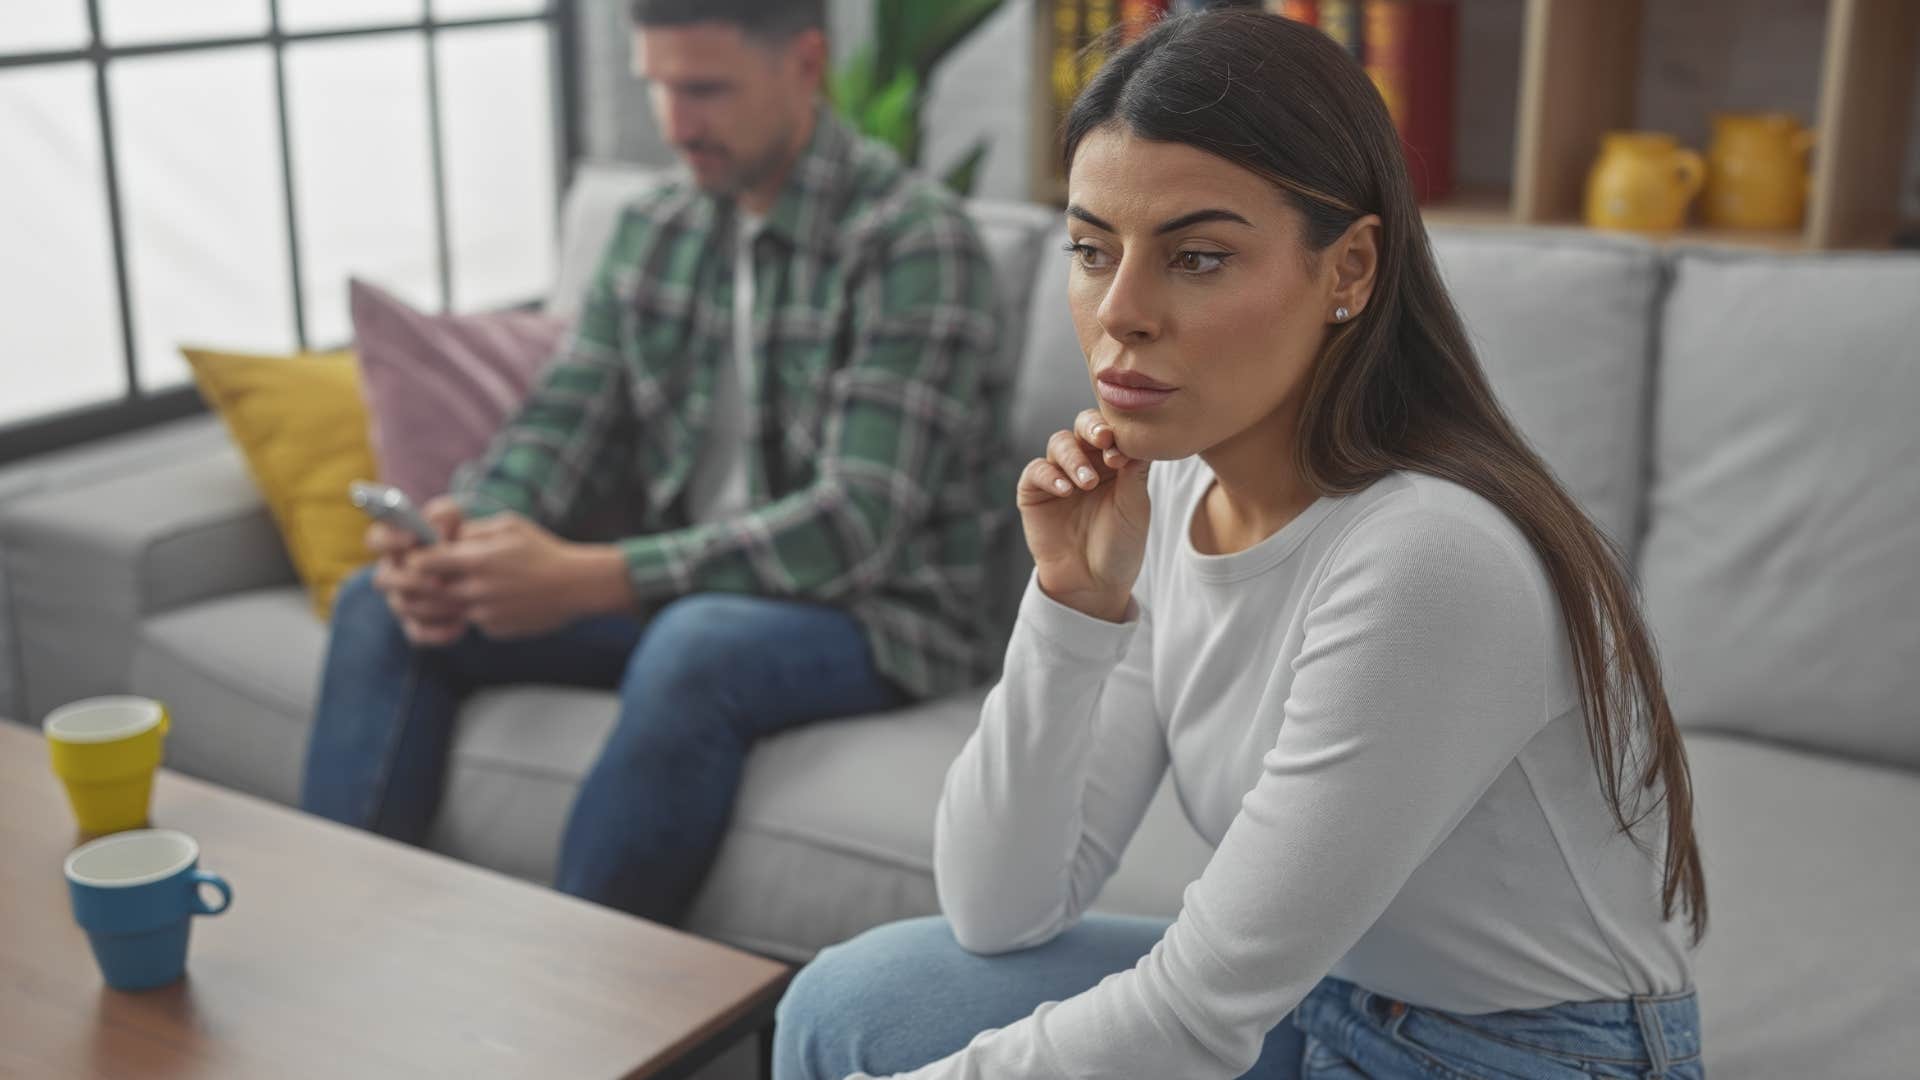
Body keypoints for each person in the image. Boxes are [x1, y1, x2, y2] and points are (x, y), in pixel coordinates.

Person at [773, 11, 1707, 1079]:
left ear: (1349, 269)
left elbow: (1196, 1015)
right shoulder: (1170, 493)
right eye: (1089, 250)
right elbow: (1000, 908)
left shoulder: (1429, 559)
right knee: (851, 1004)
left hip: (1521, 1055)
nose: (1119, 313)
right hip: (1329, 1001)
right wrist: (1071, 607)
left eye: (1198, 257)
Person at [299, 0, 1009, 926]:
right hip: (681, 588)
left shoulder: (916, 242)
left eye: (706, 88)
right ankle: (343, 957)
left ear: (805, 66)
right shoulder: (656, 228)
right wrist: (461, 536)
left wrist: (594, 578)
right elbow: (560, 425)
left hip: (876, 614)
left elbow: (855, 526)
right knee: (380, 607)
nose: (675, 122)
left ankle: (584, 1031)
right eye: (660, 86)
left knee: (698, 644)